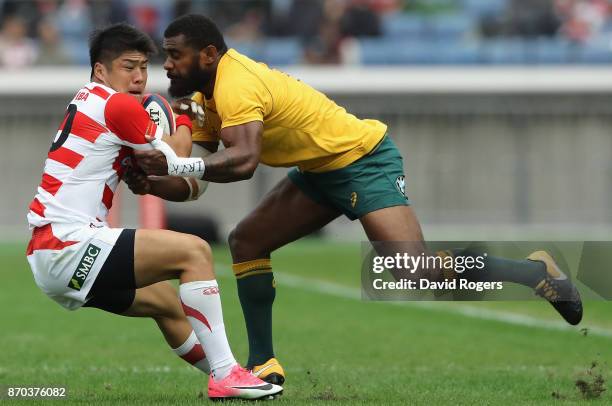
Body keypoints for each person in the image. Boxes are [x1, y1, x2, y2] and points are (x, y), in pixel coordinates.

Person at [132, 14, 583, 386]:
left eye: (174, 55)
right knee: (247, 241)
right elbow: (198, 181)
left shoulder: (235, 83)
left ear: (208, 54)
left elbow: (245, 161)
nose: (167, 65)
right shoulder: (206, 97)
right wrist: (152, 179)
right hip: (320, 172)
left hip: (363, 159)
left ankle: (534, 271)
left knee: (414, 272)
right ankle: (264, 364)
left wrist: (178, 164)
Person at [25, 22, 282, 401]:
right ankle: (227, 375)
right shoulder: (116, 104)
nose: (140, 77)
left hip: (49, 254)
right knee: (193, 252)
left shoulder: (89, 99)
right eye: (128, 67)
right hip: (69, 244)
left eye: (144, 67)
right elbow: (177, 157)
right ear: (100, 70)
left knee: (165, 302)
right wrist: (184, 115)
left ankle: (231, 374)